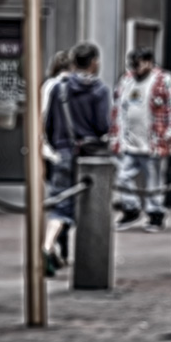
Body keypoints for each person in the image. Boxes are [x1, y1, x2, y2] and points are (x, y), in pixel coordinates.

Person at [42, 42, 112, 275]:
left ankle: (48, 244)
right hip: (90, 158)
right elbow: (103, 126)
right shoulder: (100, 91)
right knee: (90, 206)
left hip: (63, 152)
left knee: (59, 204)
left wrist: (57, 146)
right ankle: (87, 260)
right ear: (93, 62)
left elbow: (49, 125)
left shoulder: (58, 89)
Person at [109, 47, 171, 232]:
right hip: (130, 142)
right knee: (122, 177)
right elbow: (118, 108)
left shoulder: (164, 80)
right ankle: (131, 208)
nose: (135, 69)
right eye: (132, 65)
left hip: (153, 143)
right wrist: (115, 136)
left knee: (154, 180)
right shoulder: (127, 80)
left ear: (149, 62)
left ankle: (155, 214)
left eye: (139, 64)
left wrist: (170, 135)